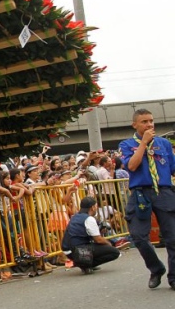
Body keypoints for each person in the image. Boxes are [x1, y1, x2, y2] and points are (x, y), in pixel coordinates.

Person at [119, 108, 175, 289]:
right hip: (140, 193)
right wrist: (143, 144)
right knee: (138, 236)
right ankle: (156, 268)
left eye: (151, 121)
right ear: (135, 124)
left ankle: (174, 277)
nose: (149, 124)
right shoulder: (126, 144)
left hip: (164, 191)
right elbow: (132, 166)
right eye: (144, 122)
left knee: (172, 237)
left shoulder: (164, 144)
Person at [61, 196, 121, 273]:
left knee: (102, 247)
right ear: (92, 207)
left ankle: (84, 263)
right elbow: (98, 240)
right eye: (96, 206)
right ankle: (86, 264)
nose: (96, 208)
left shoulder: (75, 216)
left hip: (68, 251)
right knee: (115, 252)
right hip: (78, 250)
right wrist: (109, 244)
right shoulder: (89, 219)